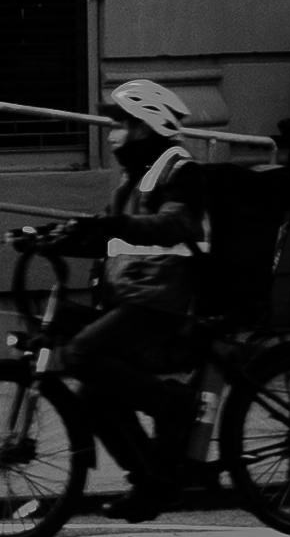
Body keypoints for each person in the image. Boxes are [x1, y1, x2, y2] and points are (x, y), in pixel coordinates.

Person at [61, 76, 222, 513]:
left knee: (79, 355)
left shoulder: (180, 170)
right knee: (91, 394)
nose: (112, 135)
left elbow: (173, 225)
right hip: (137, 298)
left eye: (119, 124)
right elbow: (116, 236)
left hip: (168, 302)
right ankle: (152, 482)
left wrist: (112, 226)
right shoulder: (135, 177)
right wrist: (57, 237)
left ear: (145, 126)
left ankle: (171, 405)